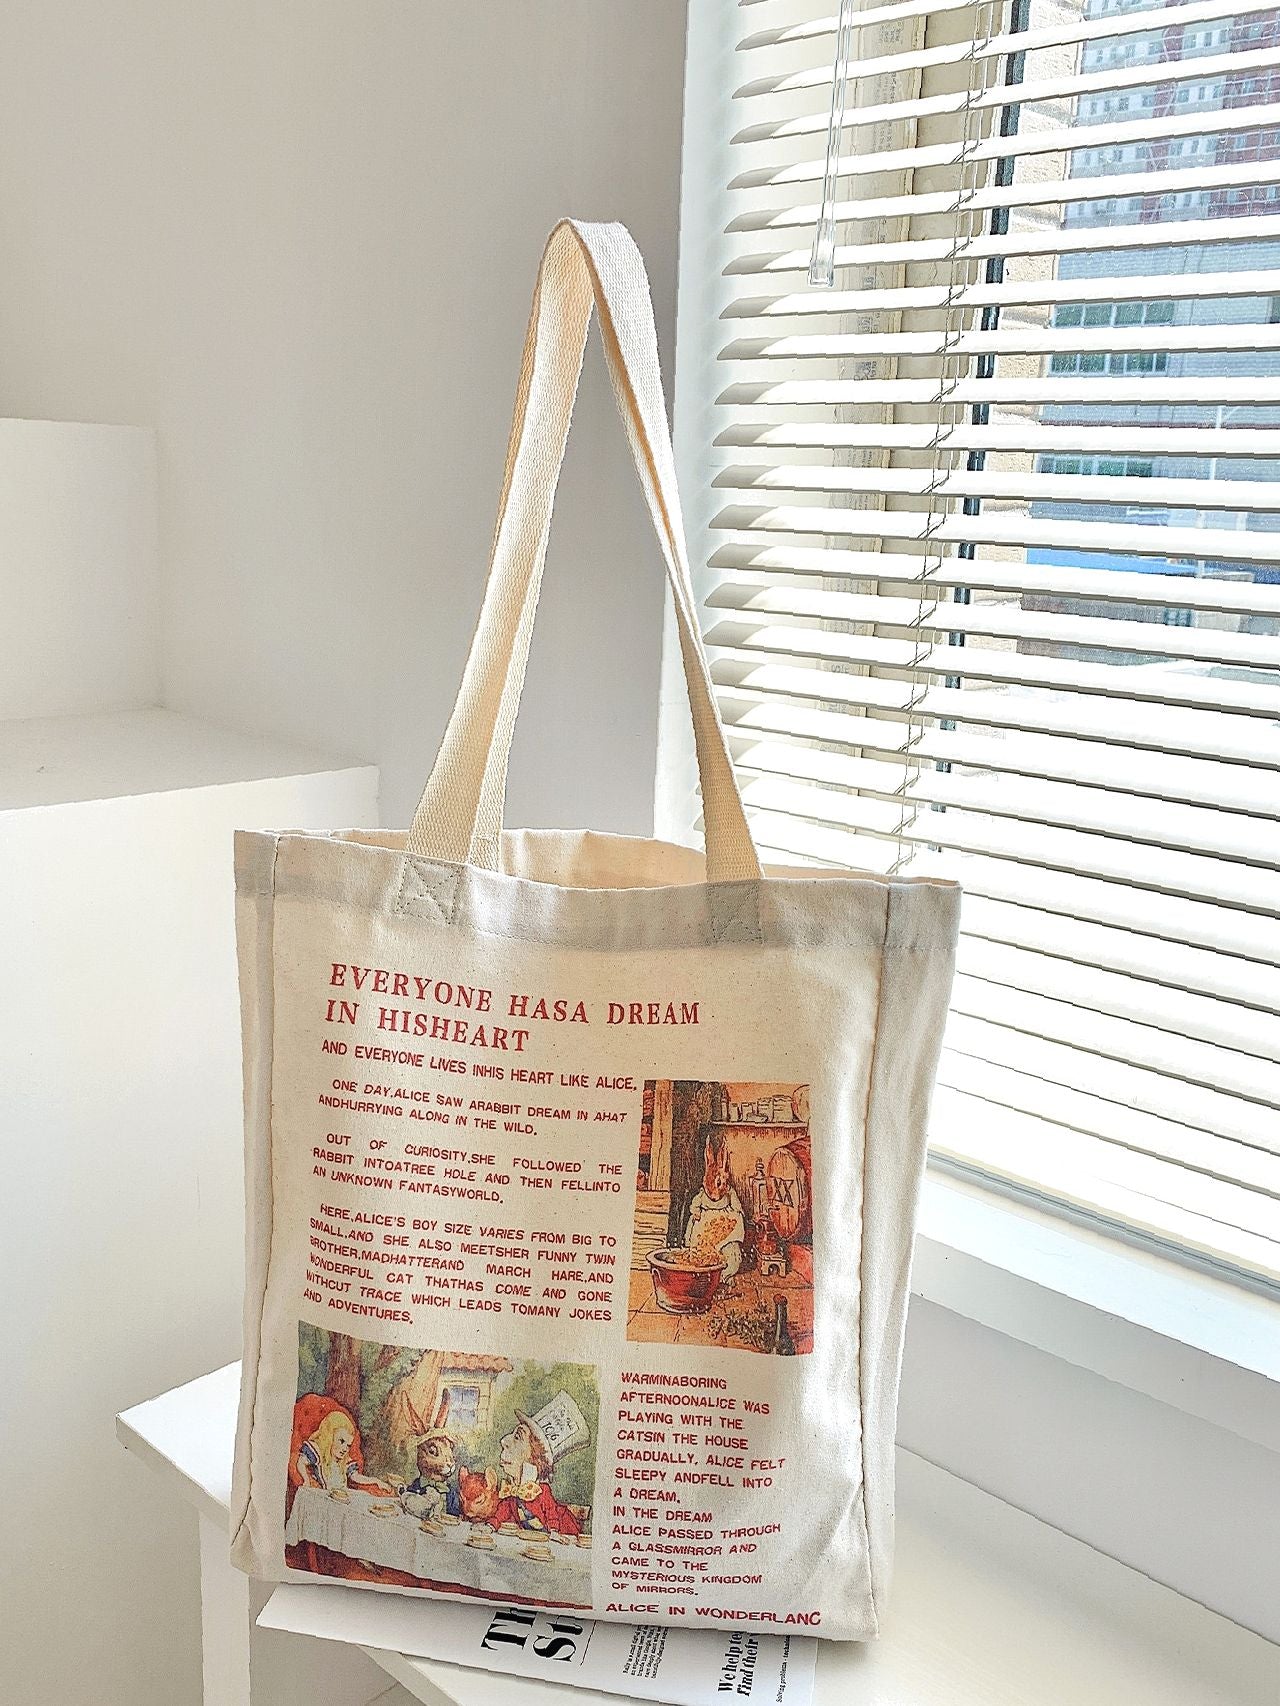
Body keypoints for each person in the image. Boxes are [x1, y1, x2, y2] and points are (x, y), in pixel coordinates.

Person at [486, 1395, 587, 1536]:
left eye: (517, 1437)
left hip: (562, 1535)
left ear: (534, 1458)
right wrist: (490, 1526)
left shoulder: (542, 1491)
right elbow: (503, 1512)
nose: (504, 1441)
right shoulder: (513, 1491)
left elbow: (551, 1514)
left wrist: (554, 1532)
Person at [400, 1429, 462, 1521]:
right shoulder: (418, 1485)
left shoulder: (450, 1492)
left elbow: (455, 1513)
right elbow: (408, 1499)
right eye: (432, 1451)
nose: (449, 1462)